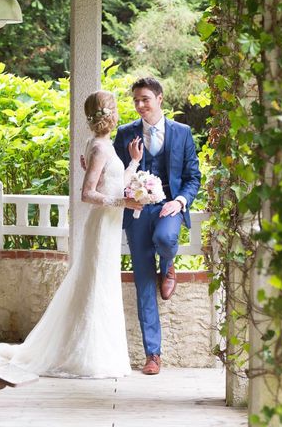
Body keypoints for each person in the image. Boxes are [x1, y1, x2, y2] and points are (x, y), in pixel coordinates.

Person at [0, 90, 143, 378]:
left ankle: (103, 353)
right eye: (113, 108)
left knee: (103, 285)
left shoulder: (103, 145)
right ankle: (86, 356)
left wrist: (134, 163)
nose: (117, 111)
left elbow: (112, 184)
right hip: (101, 226)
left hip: (110, 226)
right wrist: (125, 202)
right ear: (108, 114)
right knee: (95, 286)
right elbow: (87, 193)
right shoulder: (99, 148)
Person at [113, 77, 201, 375]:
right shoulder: (125, 134)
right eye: (136, 100)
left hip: (168, 208)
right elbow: (116, 178)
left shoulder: (182, 132)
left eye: (145, 99)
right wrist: (127, 195)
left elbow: (193, 177)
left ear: (159, 98)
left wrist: (179, 201)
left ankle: (168, 266)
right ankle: (153, 355)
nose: (139, 105)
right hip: (137, 212)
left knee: (166, 239)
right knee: (144, 284)